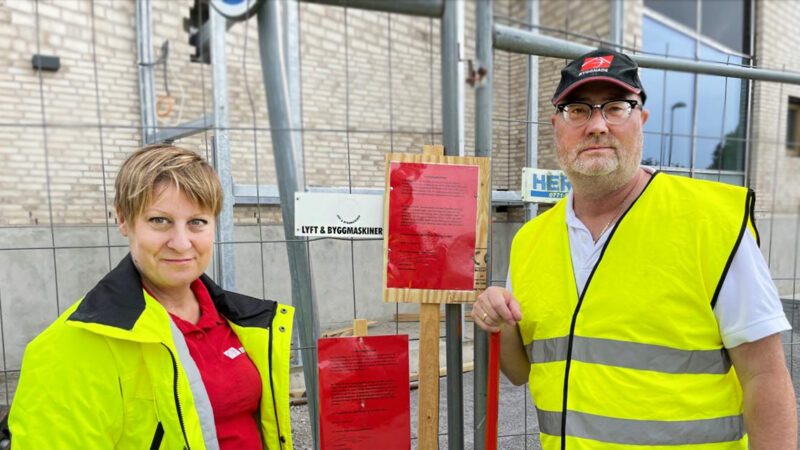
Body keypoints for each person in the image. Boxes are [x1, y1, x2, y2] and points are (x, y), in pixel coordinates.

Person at [472, 49, 797, 449]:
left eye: (615, 108)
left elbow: (765, 375)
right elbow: (519, 371)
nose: (596, 126)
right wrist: (499, 319)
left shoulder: (710, 223)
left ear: (641, 119)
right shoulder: (531, 239)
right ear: (556, 125)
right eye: (577, 110)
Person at [8, 145, 294, 449]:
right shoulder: (69, 349)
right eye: (159, 220)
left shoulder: (243, 322)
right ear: (123, 220)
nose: (182, 243)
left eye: (197, 222)